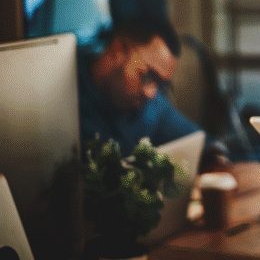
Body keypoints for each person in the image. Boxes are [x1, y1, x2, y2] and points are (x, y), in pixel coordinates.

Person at [78, 16, 228, 171]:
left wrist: (216, 158)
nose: (150, 93)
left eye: (161, 85)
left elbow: (206, 145)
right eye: (147, 76)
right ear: (118, 51)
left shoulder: (151, 106)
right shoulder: (69, 99)